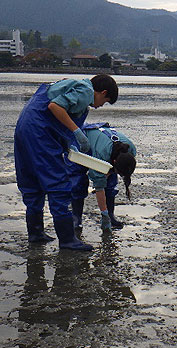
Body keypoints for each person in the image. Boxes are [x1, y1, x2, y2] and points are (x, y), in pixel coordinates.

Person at [14, 74, 119, 251]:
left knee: (32, 182)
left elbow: (53, 116)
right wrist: (77, 131)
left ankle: (35, 233)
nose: (100, 106)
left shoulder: (70, 84)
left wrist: (68, 144)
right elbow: (55, 107)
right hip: (40, 134)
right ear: (103, 92)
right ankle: (67, 239)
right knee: (58, 183)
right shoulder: (85, 91)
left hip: (25, 129)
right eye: (105, 101)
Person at [69, 122, 136, 233]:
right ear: (114, 161)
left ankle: (111, 215)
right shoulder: (101, 155)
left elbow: (118, 167)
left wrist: (111, 172)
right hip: (84, 140)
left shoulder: (130, 149)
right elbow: (99, 188)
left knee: (111, 183)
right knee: (78, 181)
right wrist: (103, 213)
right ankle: (76, 218)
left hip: (104, 142)